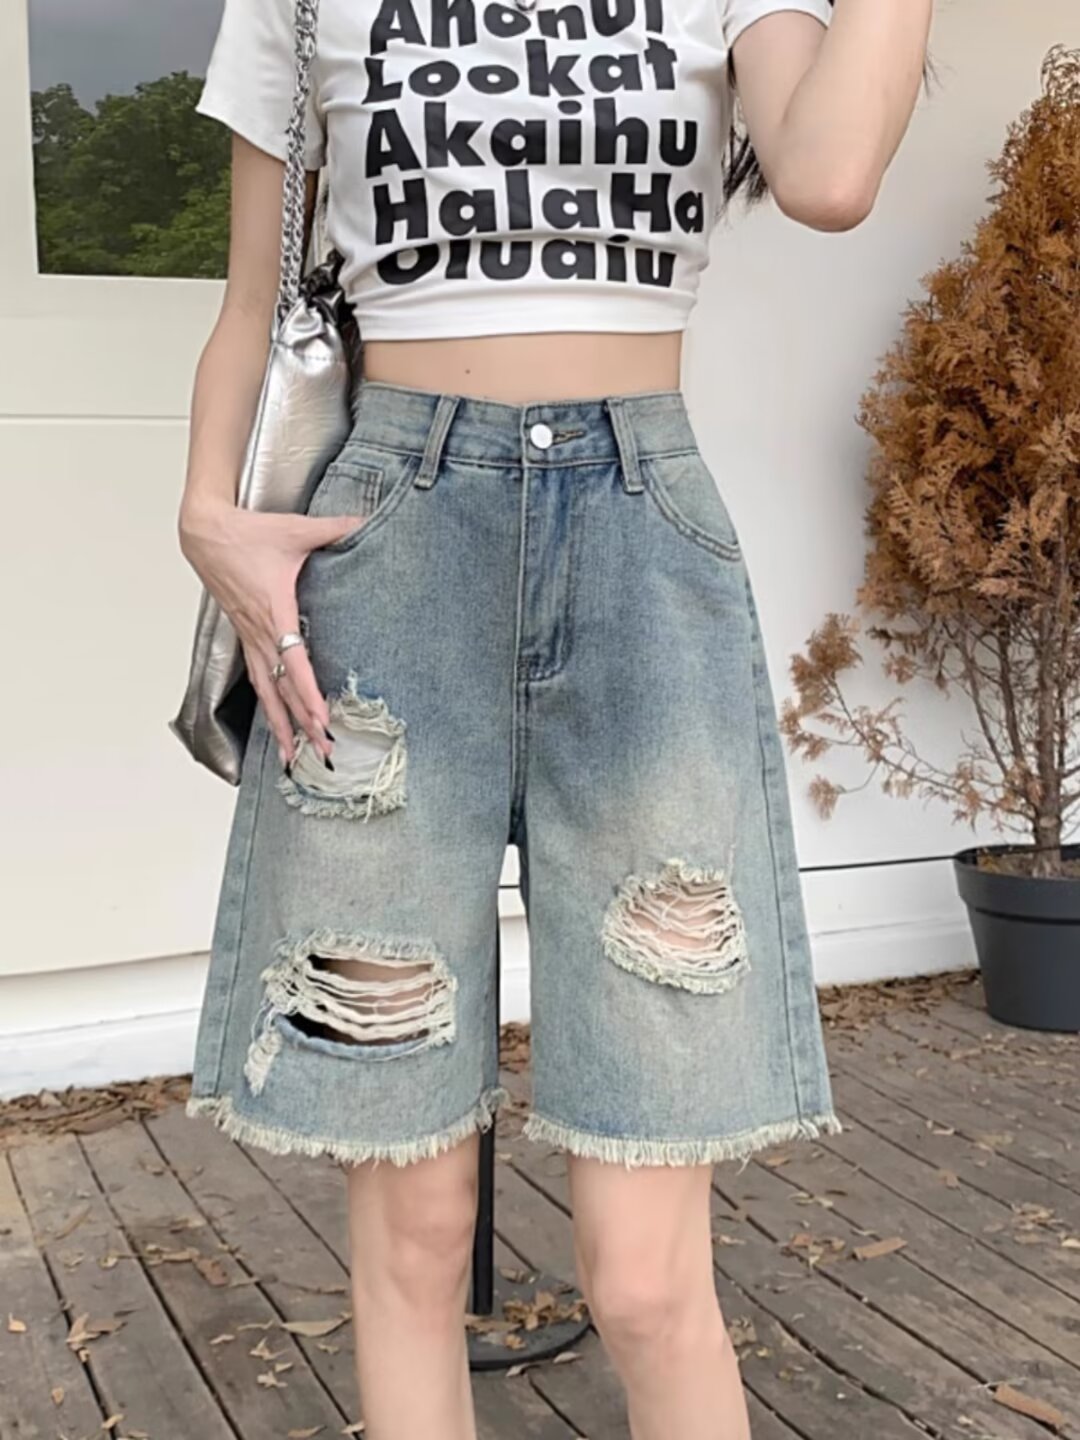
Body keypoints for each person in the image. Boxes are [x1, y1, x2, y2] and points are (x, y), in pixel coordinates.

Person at [178, 0, 930, 1434]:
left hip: (641, 546)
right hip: (387, 558)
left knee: (646, 1282)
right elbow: (247, 306)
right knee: (413, 1238)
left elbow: (832, 177)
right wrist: (208, 515)